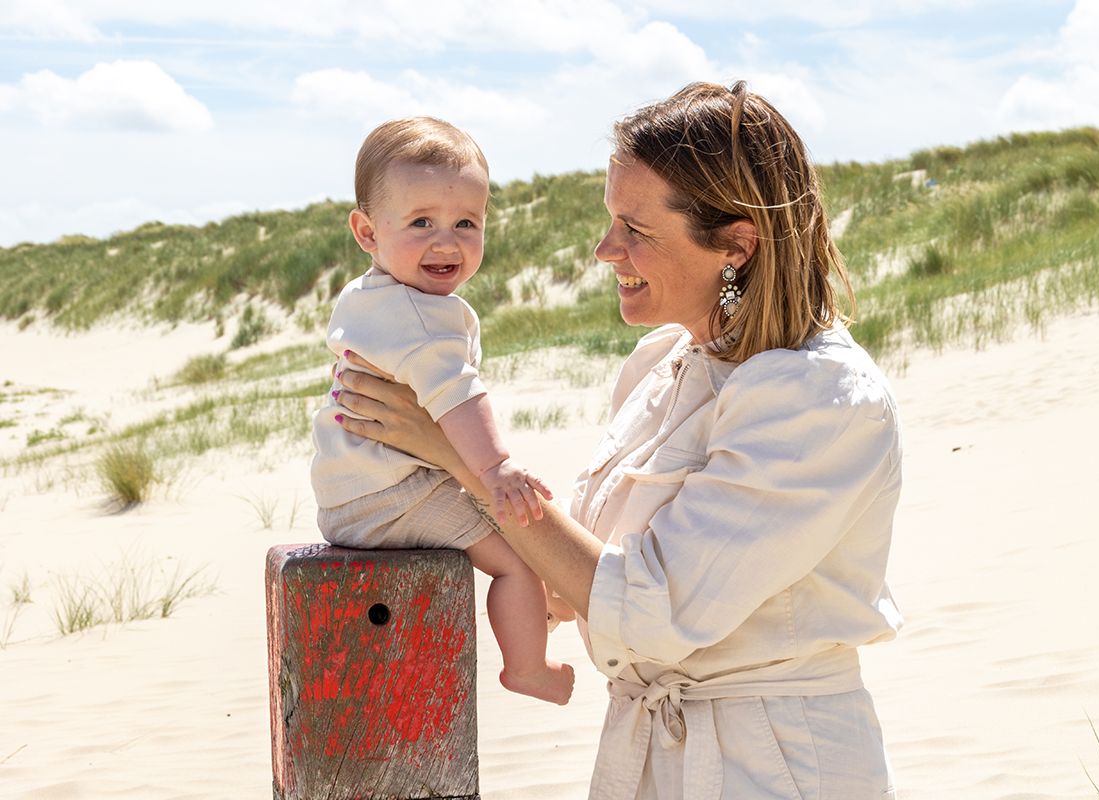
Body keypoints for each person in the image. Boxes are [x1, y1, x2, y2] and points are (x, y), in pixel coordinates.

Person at [333, 83, 902, 799]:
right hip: (647, 758)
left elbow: (651, 614)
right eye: (610, 222)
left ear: (735, 244)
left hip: (771, 765)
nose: (606, 251)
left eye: (635, 229)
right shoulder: (659, 366)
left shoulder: (819, 400)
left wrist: (454, 457)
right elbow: (578, 580)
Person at [311, 116, 574, 705]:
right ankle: (527, 666)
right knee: (517, 565)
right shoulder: (424, 317)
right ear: (366, 230)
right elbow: (456, 395)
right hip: (395, 495)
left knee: (517, 545)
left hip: (353, 495)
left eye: (466, 223)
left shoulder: (369, 296)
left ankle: (549, 605)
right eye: (421, 222)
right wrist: (497, 468)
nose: (446, 241)